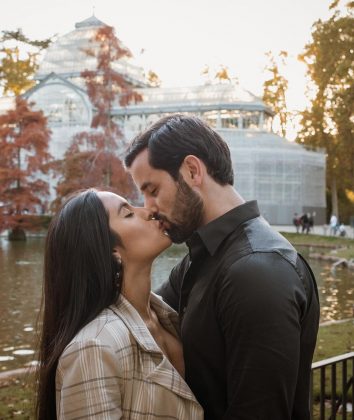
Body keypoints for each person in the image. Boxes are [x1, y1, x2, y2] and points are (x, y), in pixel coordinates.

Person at [125, 114, 320, 420]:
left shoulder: (257, 271)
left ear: (192, 170)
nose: (148, 208)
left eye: (153, 190)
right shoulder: (199, 258)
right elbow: (137, 321)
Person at [36, 189, 203, 419]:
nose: (149, 211)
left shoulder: (166, 317)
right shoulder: (94, 347)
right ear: (111, 250)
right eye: (128, 214)